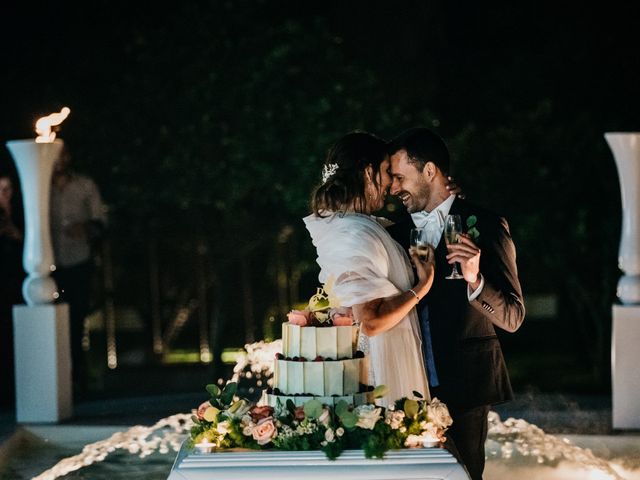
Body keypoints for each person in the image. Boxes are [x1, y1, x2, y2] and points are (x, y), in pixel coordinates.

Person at [387, 127, 525, 480]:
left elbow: (512, 316)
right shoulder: (392, 235)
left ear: (429, 171)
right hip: (405, 385)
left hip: (466, 385)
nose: (393, 187)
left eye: (400, 176)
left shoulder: (488, 225)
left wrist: (476, 279)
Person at [303, 131, 434, 406]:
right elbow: (370, 321)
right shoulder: (354, 234)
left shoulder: (353, 225)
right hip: (381, 370)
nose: (390, 183)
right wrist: (421, 288)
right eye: (387, 171)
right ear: (367, 172)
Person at [50, 146, 107, 395]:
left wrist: (84, 228)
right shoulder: (39, 187)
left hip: (77, 261)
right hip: (49, 262)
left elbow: (101, 222)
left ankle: (77, 378)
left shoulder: (84, 185)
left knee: (76, 320)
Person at [0, 173, 24, 408]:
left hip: (15, 286)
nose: (4, 194)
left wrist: (13, 231)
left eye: (7, 189)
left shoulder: (20, 214)